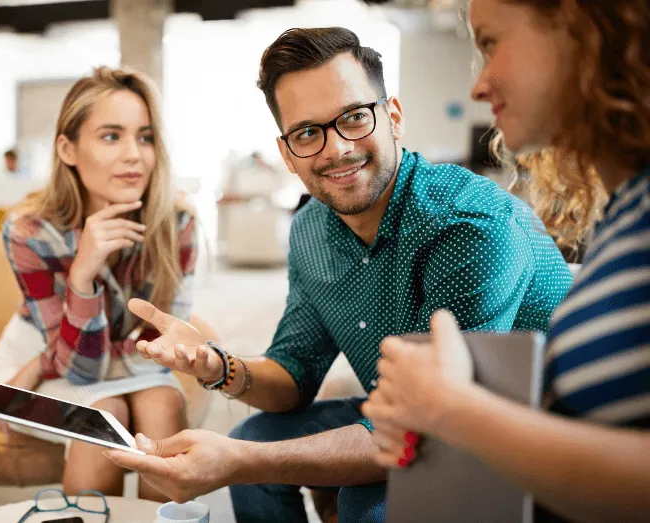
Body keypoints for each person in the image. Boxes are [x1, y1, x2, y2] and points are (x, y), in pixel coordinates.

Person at [106, 27, 573, 522]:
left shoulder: (468, 225)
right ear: (286, 153)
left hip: (522, 440)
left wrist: (238, 464)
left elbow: (431, 424)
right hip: (405, 411)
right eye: (307, 132)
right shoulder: (311, 229)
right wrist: (215, 365)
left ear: (392, 116)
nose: (336, 149)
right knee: (255, 436)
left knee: (356, 502)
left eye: (354, 117)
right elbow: (294, 372)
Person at [361, 1, 650, 522]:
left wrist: (452, 409)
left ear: (583, 30)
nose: (478, 85)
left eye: (491, 42)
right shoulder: (626, 213)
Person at [0, 66, 198, 502]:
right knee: (103, 416)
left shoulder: (177, 223)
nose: (134, 155)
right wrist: (82, 275)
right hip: (38, 366)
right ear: (67, 148)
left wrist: (44, 362)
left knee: (161, 403)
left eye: (145, 137)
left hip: (61, 362)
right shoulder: (29, 232)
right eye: (110, 136)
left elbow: (165, 346)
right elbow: (81, 371)